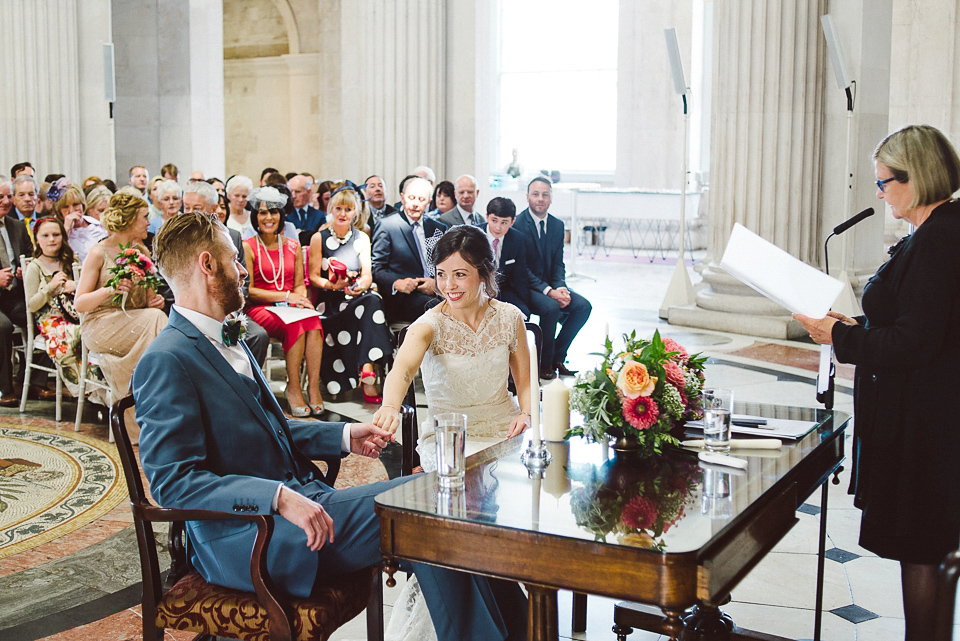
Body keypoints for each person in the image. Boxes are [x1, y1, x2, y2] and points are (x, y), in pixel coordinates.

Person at [133, 211, 527, 641]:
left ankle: (521, 632)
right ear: (207, 265)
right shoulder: (167, 359)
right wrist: (277, 497)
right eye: (234, 259)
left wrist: (341, 435)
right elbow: (173, 484)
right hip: (250, 539)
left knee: (441, 505)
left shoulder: (233, 338)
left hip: (308, 506)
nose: (243, 270)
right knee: (430, 502)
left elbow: (265, 427)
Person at [794, 124, 960, 641]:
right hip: (922, 415)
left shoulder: (941, 240)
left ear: (918, 179)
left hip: (928, 425)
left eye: (884, 182)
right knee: (928, 551)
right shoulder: (933, 233)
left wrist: (842, 339)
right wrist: (852, 328)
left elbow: (915, 342)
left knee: (923, 549)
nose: (879, 193)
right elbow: (911, 323)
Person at [372, 225, 532, 641]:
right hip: (451, 440)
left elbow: (526, 382)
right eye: (441, 274)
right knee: (464, 528)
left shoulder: (510, 317)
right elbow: (402, 369)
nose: (448, 285)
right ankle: (466, 619)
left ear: (482, 271)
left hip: (501, 432)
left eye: (459, 274)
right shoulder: (429, 324)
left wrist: (528, 413)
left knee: (511, 526)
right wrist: (391, 406)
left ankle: (509, 608)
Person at [75, 192, 167, 441]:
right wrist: (109, 289)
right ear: (128, 220)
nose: (149, 222)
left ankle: (150, 409)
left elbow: (150, 301)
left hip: (135, 321)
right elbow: (79, 303)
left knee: (155, 316)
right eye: (145, 217)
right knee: (157, 321)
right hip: (100, 323)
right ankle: (156, 408)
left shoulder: (140, 250)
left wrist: (155, 300)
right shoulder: (99, 252)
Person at [242, 186, 325, 417]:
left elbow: (299, 283)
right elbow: (250, 291)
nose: (269, 218)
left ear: (281, 216)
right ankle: (293, 388)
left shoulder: (292, 245)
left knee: (314, 323)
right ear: (255, 217)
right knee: (296, 326)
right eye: (263, 213)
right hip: (260, 308)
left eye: (274, 212)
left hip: (289, 307)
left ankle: (314, 387)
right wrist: (287, 297)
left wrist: (301, 300)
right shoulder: (248, 246)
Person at [308, 183, 392, 403]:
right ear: (331, 210)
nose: (343, 214)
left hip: (356, 296)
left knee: (372, 300)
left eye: (348, 209)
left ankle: (366, 369)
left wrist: (358, 287)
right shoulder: (319, 238)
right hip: (331, 300)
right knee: (370, 307)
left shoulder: (362, 237)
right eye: (338, 209)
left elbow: (367, 276)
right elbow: (314, 277)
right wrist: (333, 286)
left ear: (356, 212)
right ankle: (367, 373)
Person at [181, 181, 269, 367]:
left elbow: (242, 282)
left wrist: (228, 310)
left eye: (196, 208)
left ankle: (246, 387)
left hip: (226, 309)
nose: (189, 213)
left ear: (213, 209)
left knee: (257, 335)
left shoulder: (233, 237)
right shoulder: (177, 239)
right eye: (186, 207)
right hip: (191, 310)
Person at [513, 176, 591, 380]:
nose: (540, 199)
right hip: (527, 287)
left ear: (551, 198)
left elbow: (558, 263)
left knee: (583, 306)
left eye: (545, 195)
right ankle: (543, 364)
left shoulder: (557, 225)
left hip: (551, 285)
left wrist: (561, 287)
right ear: (527, 197)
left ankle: (557, 357)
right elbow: (522, 269)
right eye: (536, 194)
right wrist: (549, 291)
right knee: (551, 307)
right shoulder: (518, 224)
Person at [24, 216, 104, 397]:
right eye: (45, 236)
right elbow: (31, 305)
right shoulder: (35, 267)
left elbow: (86, 287)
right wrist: (50, 287)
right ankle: (87, 389)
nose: (51, 239)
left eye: (56, 234)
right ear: (37, 239)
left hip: (75, 314)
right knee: (74, 337)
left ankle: (102, 385)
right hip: (50, 320)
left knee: (98, 330)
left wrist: (74, 285)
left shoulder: (70, 260)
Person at [371, 176, 448, 323]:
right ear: (402, 197)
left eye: (421, 199)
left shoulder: (438, 228)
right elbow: (377, 268)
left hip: (437, 290)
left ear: (429, 202)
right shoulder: (388, 226)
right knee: (438, 309)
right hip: (405, 296)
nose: (415, 204)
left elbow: (445, 264)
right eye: (411, 198)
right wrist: (396, 283)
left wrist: (436, 283)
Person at [480, 197, 533, 312]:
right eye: (494, 220)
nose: (498, 227)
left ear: (512, 222)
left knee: (523, 312)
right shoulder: (474, 235)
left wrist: (524, 302)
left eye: (504, 222)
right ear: (487, 216)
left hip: (503, 290)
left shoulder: (517, 239)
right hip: (478, 289)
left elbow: (520, 275)